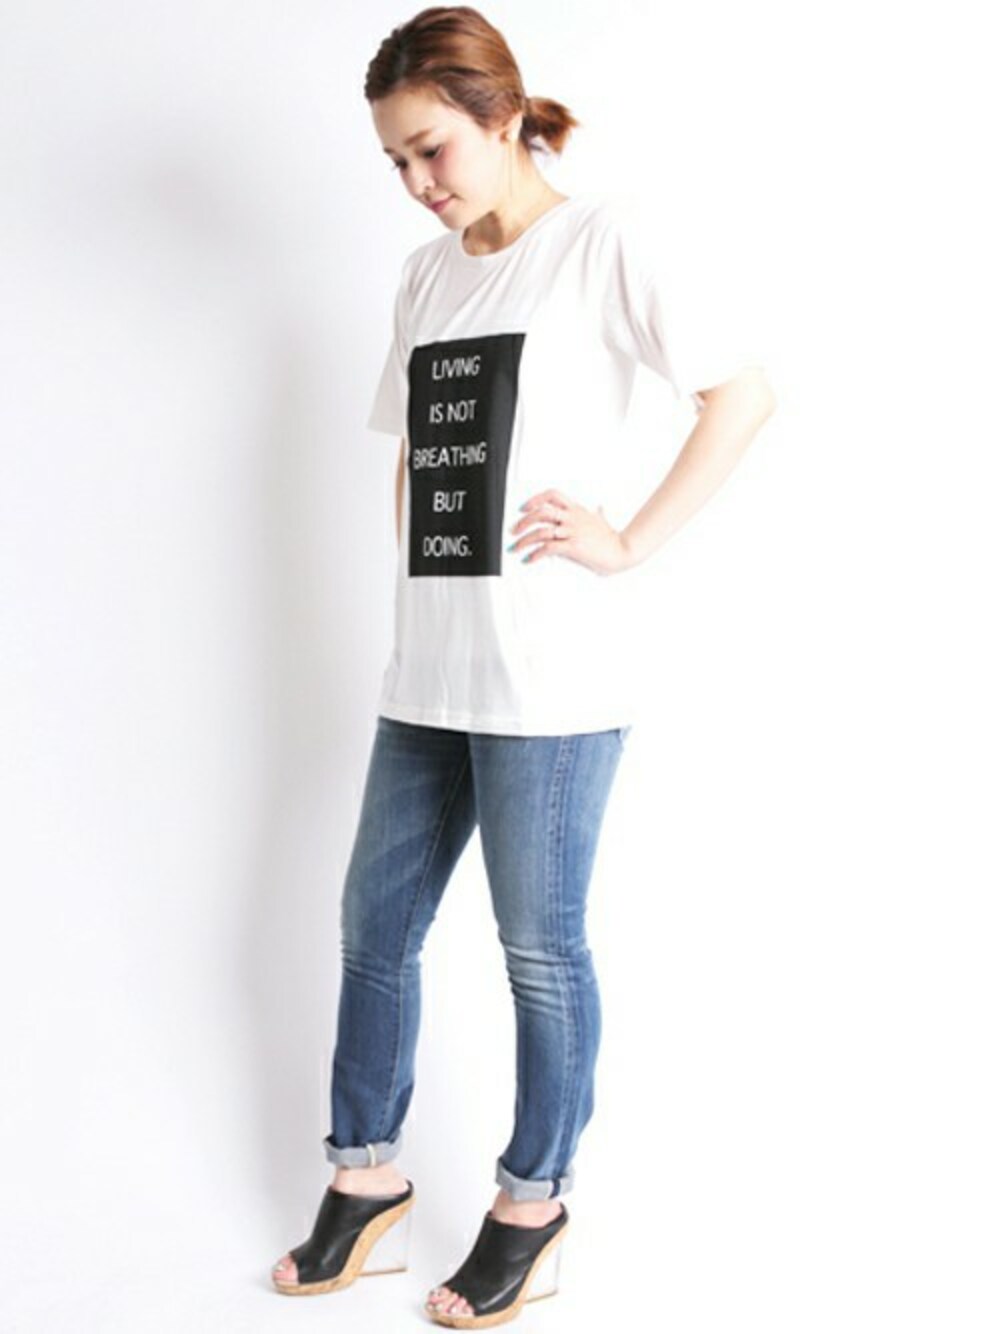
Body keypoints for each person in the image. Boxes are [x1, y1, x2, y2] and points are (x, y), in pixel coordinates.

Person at [271, 4, 776, 1327]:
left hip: (551, 680)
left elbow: (740, 394)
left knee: (539, 949)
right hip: (426, 676)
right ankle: (366, 1177)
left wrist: (628, 540)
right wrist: (421, 600)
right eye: (395, 160)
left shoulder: (602, 243)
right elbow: (414, 447)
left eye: (432, 149)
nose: (416, 182)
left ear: (503, 117)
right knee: (374, 929)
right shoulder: (425, 277)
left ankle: (532, 1202)